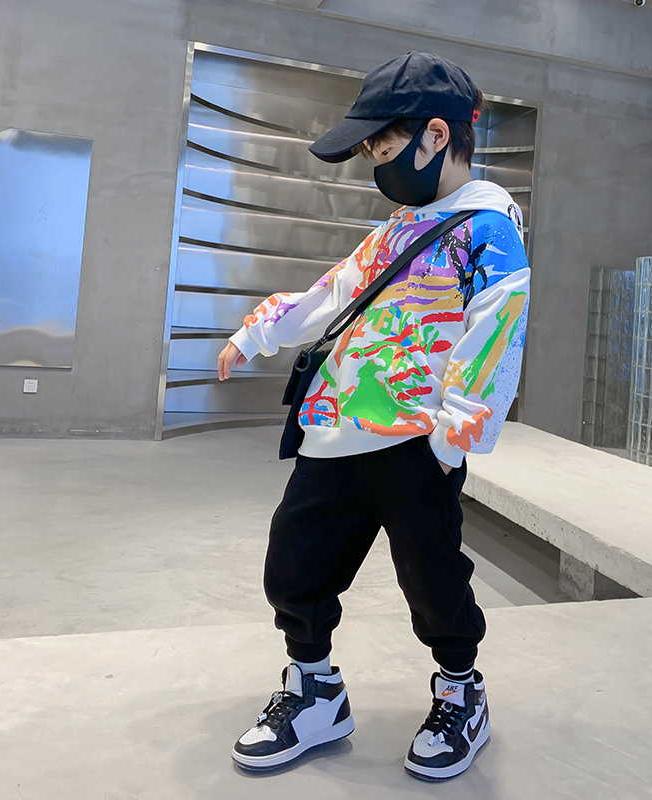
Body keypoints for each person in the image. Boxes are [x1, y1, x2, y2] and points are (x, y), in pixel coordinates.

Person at [217, 51, 531, 781]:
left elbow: (496, 334)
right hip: (332, 434)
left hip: (416, 445)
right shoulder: (398, 228)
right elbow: (334, 294)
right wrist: (258, 331)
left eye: (381, 149)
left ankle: (461, 692)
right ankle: (315, 692)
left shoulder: (488, 230)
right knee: (294, 567)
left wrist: (451, 441)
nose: (374, 167)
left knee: (432, 580)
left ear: (434, 136)